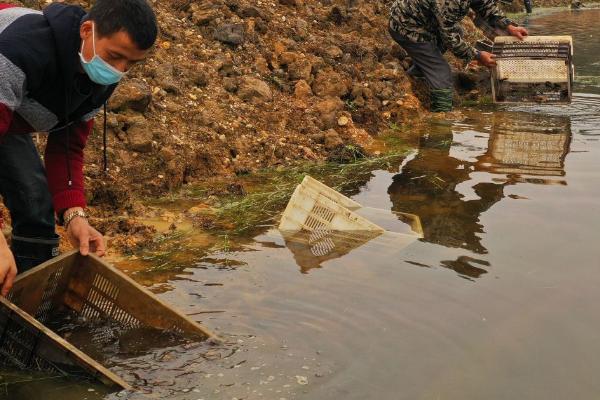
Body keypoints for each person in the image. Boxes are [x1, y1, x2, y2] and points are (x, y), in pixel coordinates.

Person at [0, 0, 158, 296]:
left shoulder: (99, 73)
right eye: (115, 57)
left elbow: (68, 145)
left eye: (131, 63)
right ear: (87, 31)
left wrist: (75, 215)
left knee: (35, 201)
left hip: (8, 113)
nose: (120, 70)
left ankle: (25, 300)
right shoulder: (19, 51)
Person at [388, 0, 529, 112]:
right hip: (406, 26)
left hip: (424, 20)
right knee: (442, 72)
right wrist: (478, 55)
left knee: (458, 31)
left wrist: (509, 26)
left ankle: (418, 72)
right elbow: (450, 39)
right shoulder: (448, 2)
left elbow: (485, 5)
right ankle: (440, 121)